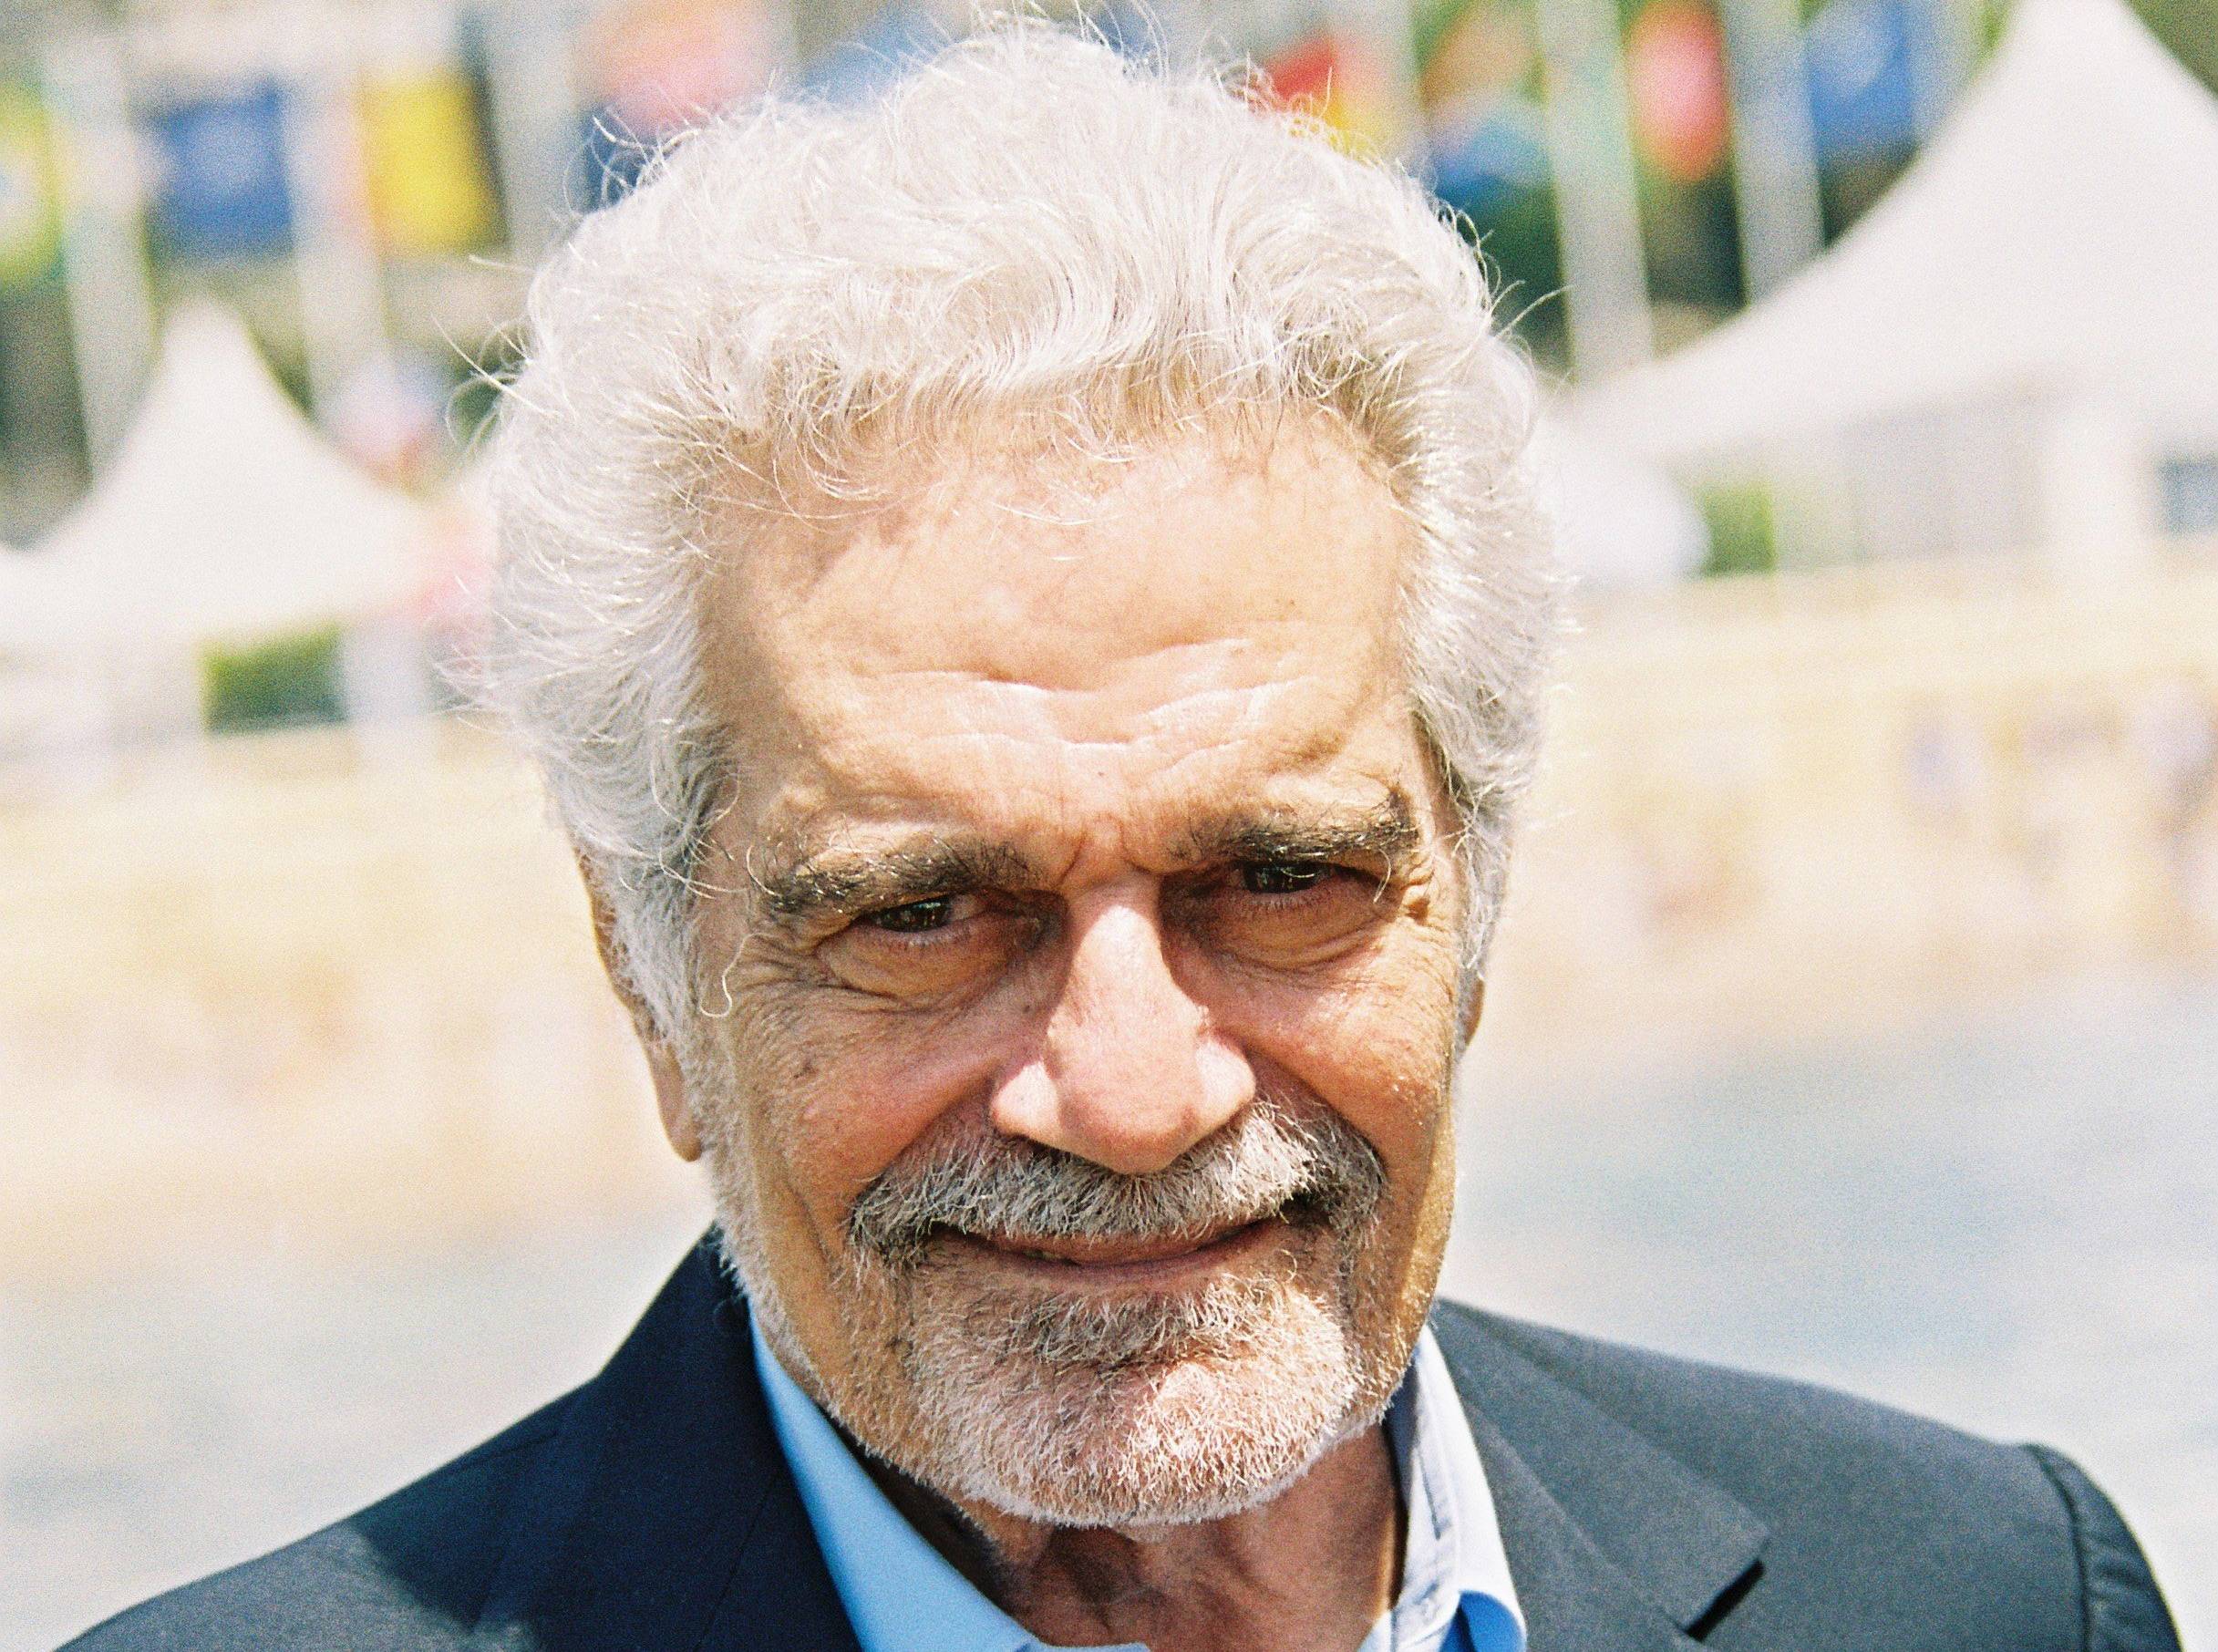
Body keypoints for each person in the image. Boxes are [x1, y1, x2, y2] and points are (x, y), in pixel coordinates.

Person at [67, 24, 2177, 1652]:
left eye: (1276, 878)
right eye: (916, 912)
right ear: (649, 970)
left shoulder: (1971, 1592)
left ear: (1472, 896)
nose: (1138, 1093)